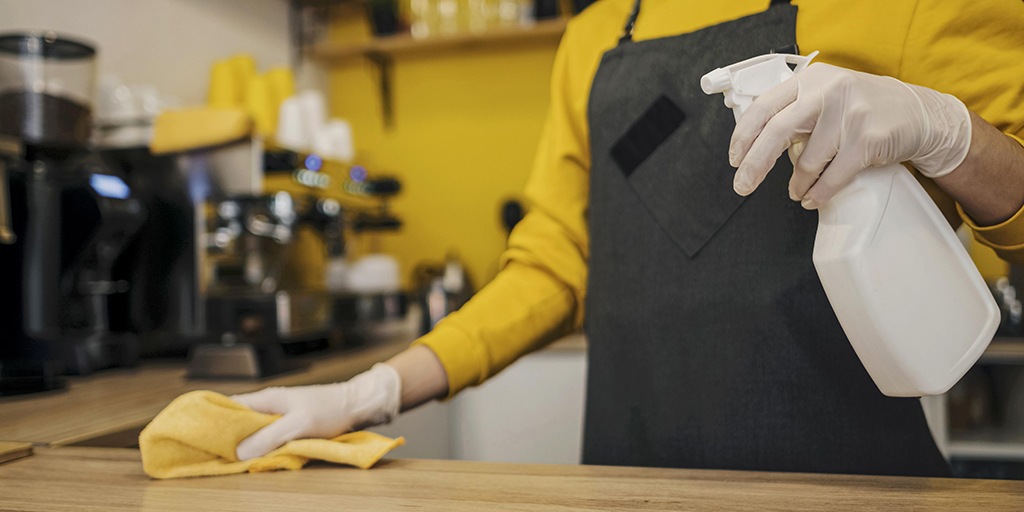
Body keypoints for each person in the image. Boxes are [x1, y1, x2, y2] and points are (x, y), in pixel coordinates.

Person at [230, 0, 1024, 476]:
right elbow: (553, 264)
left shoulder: (912, 7)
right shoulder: (594, 35)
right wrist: (374, 390)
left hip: (846, 482)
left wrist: (948, 135)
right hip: (630, 480)